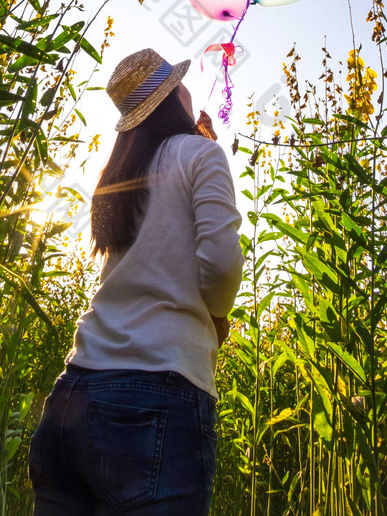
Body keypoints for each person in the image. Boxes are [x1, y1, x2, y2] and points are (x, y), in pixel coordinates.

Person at [29, 48, 244, 515]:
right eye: (179, 82)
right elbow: (223, 265)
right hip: (153, 401)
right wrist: (218, 315)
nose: (189, 88)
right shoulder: (202, 155)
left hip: (72, 395)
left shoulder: (117, 174)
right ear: (172, 99)